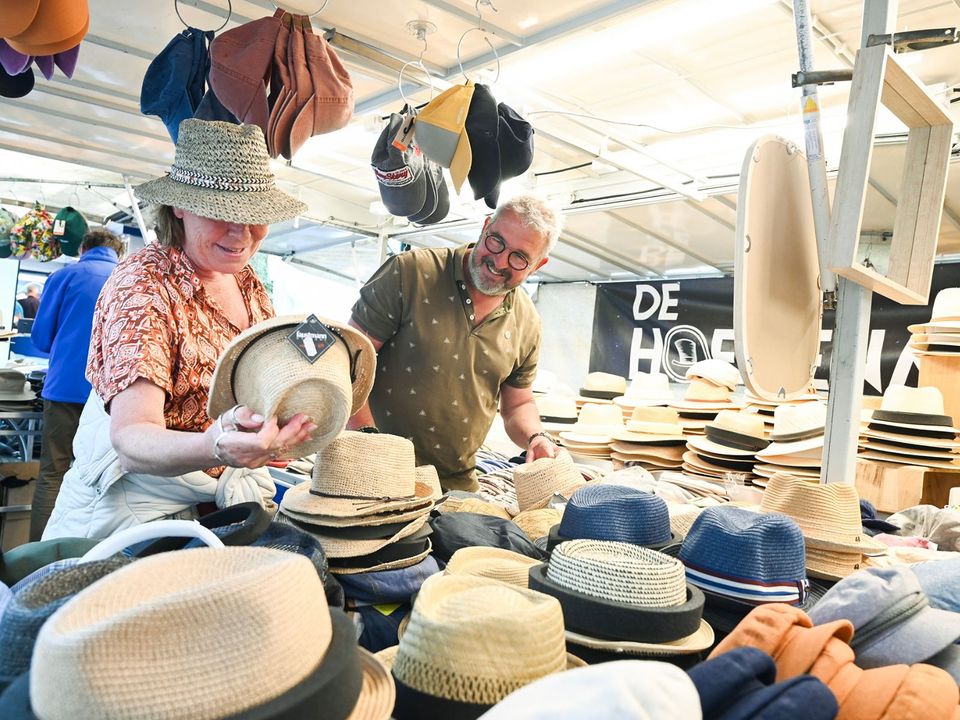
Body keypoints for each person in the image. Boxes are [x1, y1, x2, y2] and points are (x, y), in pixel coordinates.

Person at [43, 119, 314, 540]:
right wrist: (216, 446)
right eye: (223, 212)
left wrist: (269, 433)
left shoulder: (246, 282)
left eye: (256, 216)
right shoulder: (144, 284)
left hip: (213, 509)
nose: (241, 233)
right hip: (132, 518)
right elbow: (132, 440)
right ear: (180, 207)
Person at [347, 193, 562, 491]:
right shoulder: (410, 273)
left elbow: (518, 404)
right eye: (496, 241)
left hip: (456, 486)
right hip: (370, 472)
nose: (499, 261)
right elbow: (350, 363)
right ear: (485, 227)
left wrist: (536, 437)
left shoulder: (528, 322)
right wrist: (367, 441)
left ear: (538, 265)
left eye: (520, 257)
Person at [29, 228, 126, 540]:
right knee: (104, 480)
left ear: (83, 248)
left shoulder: (64, 276)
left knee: (53, 472)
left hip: (64, 390)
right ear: (118, 252)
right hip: (113, 397)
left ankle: (39, 558)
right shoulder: (129, 277)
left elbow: (41, 338)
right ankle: (88, 559)